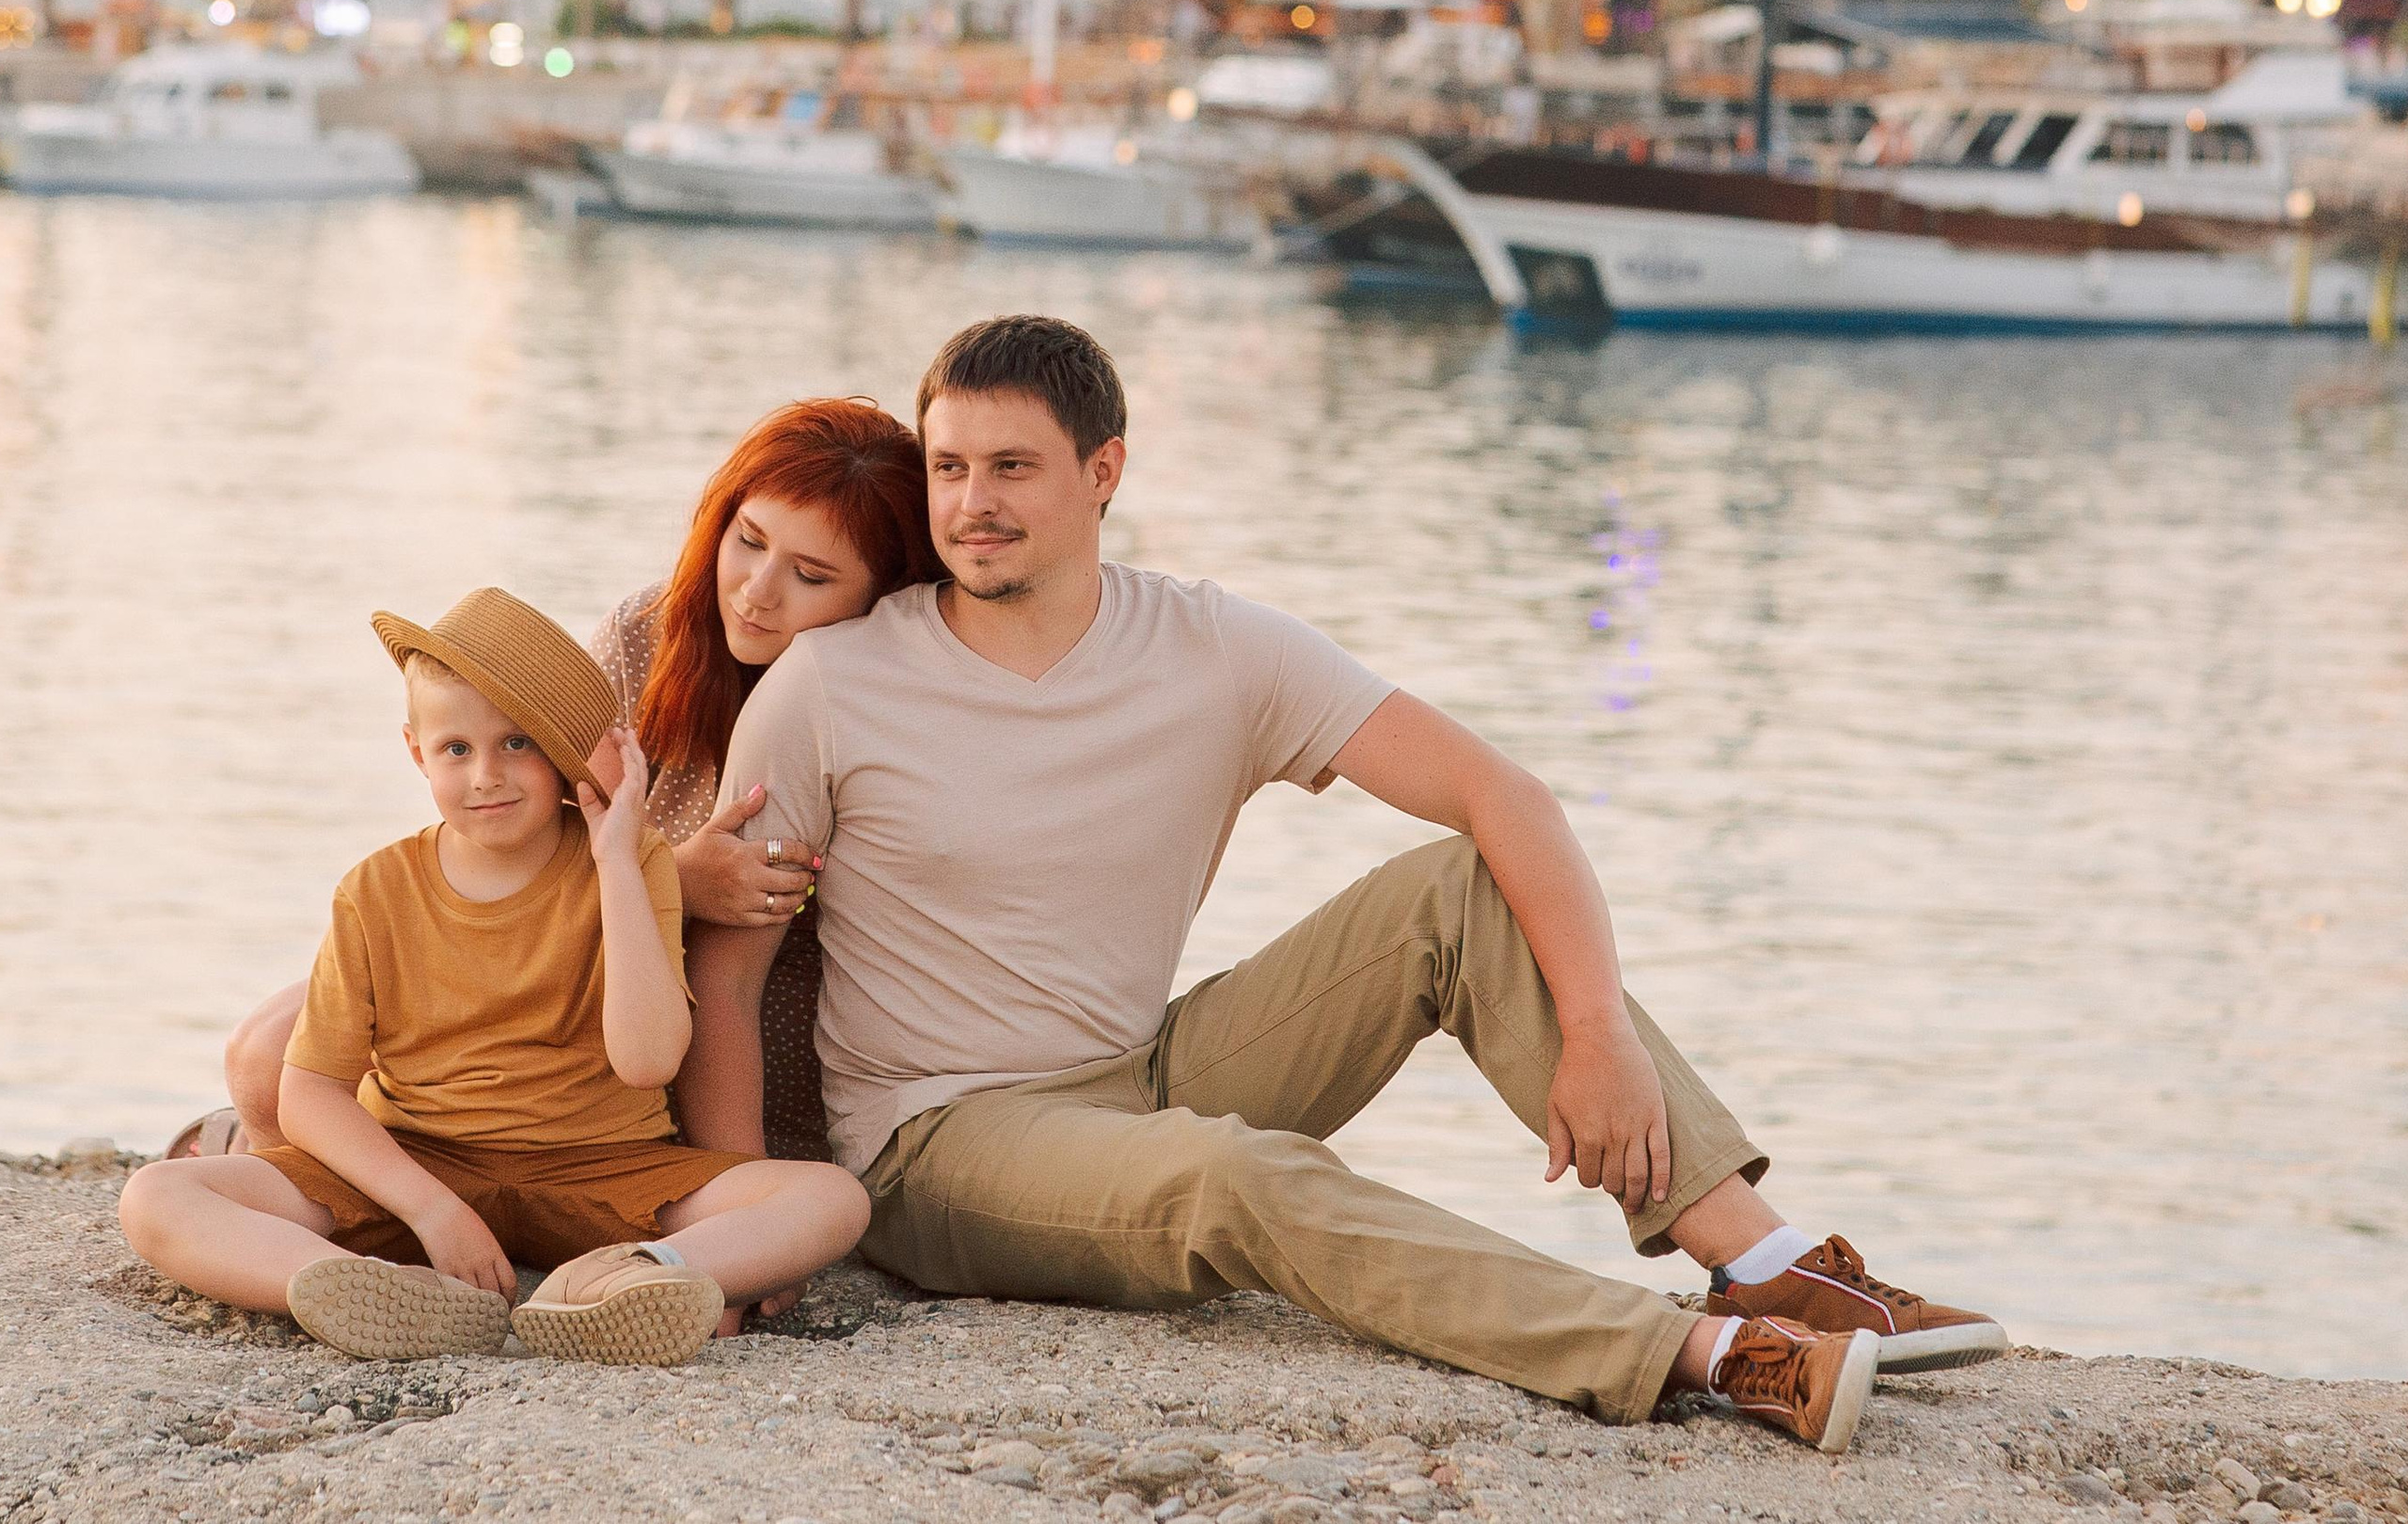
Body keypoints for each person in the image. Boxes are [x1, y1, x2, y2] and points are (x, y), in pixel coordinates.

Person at [682, 315, 2006, 1456]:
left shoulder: (1211, 647)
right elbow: (728, 981)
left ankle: (1768, 1261)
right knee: (1236, 1177)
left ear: (1104, 473)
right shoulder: (835, 687)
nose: (972, 503)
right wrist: (745, 1237)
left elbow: (1505, 797)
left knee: (1454, 891)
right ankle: (1705, 1357)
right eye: (952, 468)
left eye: (1012, 468)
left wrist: (1595, 1030)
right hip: (942, 1145)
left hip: (1139, 1073)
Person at [179, 397, 942, 1167]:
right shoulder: (646, 634)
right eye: (748, 541)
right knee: (264, 1054)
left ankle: (306, 1165)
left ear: (882, 596)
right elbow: (511, 839)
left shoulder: (865, 703)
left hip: (733, 1031)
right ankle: (328, 1188)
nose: (756, 591)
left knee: (285, 1066)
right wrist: (672, 883)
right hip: (556, 975)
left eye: (810, 575)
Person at [119, 589, 868, 1364]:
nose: (486, 776)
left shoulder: (629, 862)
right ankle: (358, 1286)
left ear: (561, 754)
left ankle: (628, 1282)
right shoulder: (375, 890)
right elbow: (309, 1092)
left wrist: (615, 858)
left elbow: (647, 1060)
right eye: (455, 750)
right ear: (417, 752)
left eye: (517, 744)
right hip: (418, 1159)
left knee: (830, 1200)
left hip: (603, 1171)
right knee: (156, 1196)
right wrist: (434, 1212)